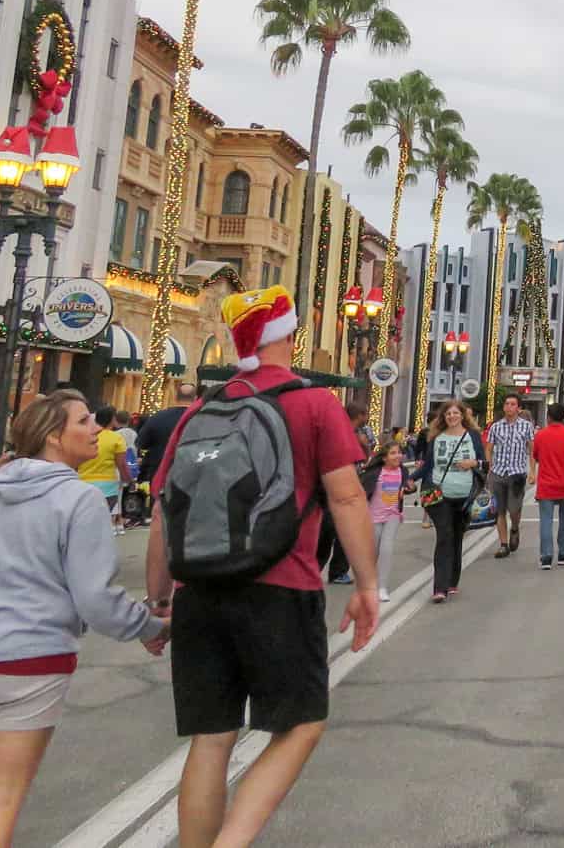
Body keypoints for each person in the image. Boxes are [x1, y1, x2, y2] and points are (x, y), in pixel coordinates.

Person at [144, 285, 377, 848]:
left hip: (200, 592)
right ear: (290, 336)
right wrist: (367, 584)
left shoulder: (201, 409)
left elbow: (164, 509)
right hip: (280, 586)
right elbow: (346, 498)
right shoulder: (314, 402)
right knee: (300, 725)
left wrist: (160, 599)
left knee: (210, 738)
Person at [0, 389, 168, 847]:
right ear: (52, 436)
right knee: (0, 799)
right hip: (25, 663)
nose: (95, 429)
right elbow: (94, 597)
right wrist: (151, 627)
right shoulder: (79, 499)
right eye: (83, 421)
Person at [418, 400, 485, 602]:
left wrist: (473, 463)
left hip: (465, 496)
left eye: (455, 413)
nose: (452, 417)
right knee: (444, 536)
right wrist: (410, 479)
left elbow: (484, 463)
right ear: (443, 418)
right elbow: (428, 465)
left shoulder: (472, 436)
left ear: (463, 416)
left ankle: (452, 581)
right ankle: (439, 588)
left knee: (456, 537)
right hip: (440, 494)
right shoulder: (436, 437)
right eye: (448, 414)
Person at [532, 402, 564, 569]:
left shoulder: (540, 435)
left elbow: (536, 456)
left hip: (546, 484)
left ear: (548, 417)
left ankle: (546, 557)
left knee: (546, 520)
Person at [484, 393, 536, 558]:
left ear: (519, 408)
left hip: (517, 473)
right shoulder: (496, 427)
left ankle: (514, 527)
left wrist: (532, 472)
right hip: (498, 472)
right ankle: (503, 544)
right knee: (499, 511)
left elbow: (532, 450)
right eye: (507, 404)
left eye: (513, 404)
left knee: (514, 509)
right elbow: (489, 449)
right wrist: (489, 468)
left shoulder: (526, 427)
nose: (509, 407)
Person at [366, 443, 409, 602]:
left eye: (399, 453)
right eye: (393, 453)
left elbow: (405, 485)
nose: (398, 456)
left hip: (393, 515)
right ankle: (368, 585)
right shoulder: (375, 472)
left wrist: (408, 487)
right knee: (373, 552)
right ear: (384, 458)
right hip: (374, 516)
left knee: (386, 549)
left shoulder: (403, 470)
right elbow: (363, 491)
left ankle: (382, 587)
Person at [77, 406, 128, 534]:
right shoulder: (116, 438)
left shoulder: (85, 435)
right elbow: (121, 464)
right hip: (108, 485)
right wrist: (128, 479)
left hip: (83, 482)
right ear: (112, 420)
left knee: (84, 522)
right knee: (102, 521)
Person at [135, 383, 198, 486]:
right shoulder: (201, 419)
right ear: (195, 398)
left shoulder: (157, 417)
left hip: (159, 473)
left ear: (175, 397)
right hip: (189, 476)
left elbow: (141, 443)